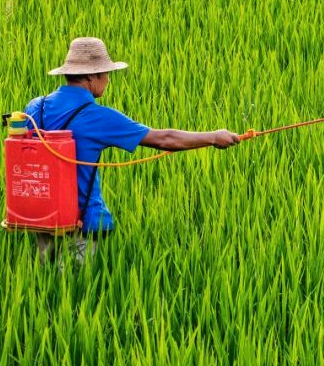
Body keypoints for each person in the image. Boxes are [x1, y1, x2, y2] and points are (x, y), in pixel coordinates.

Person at [25, 37, 241, 264]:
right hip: (79, 222)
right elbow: (164, 139)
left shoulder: (35, 106)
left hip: (40, 215)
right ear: (91, 76)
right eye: (105, 73)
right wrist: (214, 137)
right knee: (74, 288)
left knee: (44, 279)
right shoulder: (97, 117)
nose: (108, 80)